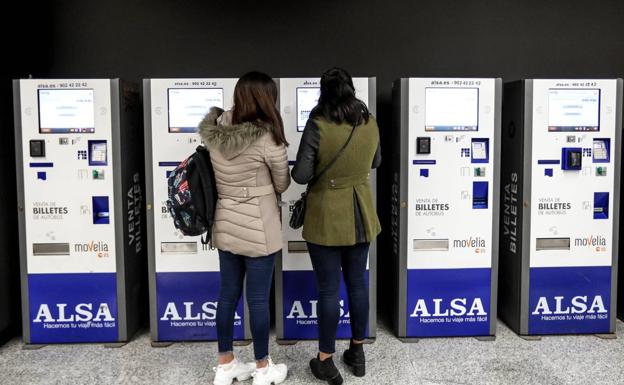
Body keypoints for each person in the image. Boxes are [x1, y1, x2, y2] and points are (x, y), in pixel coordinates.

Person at [199, 71, 290, 385]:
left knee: (227, 296)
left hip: (225, 223)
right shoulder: (266, 136)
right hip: (259, 228)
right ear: (265, 99)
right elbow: (282, 181)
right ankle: (263, 369)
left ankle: (225, 366)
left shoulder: (217, 128)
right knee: (258, 300)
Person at [292, 67, 381, 385]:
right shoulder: (369, 121)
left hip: (326, 216)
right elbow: (376, 161)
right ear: (352, 89)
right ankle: (357, 353)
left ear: (323, 91)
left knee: (328, 289)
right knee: (358, 284)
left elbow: (301, 175)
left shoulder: (318, 123)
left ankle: (326, 360)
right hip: (361, 213)